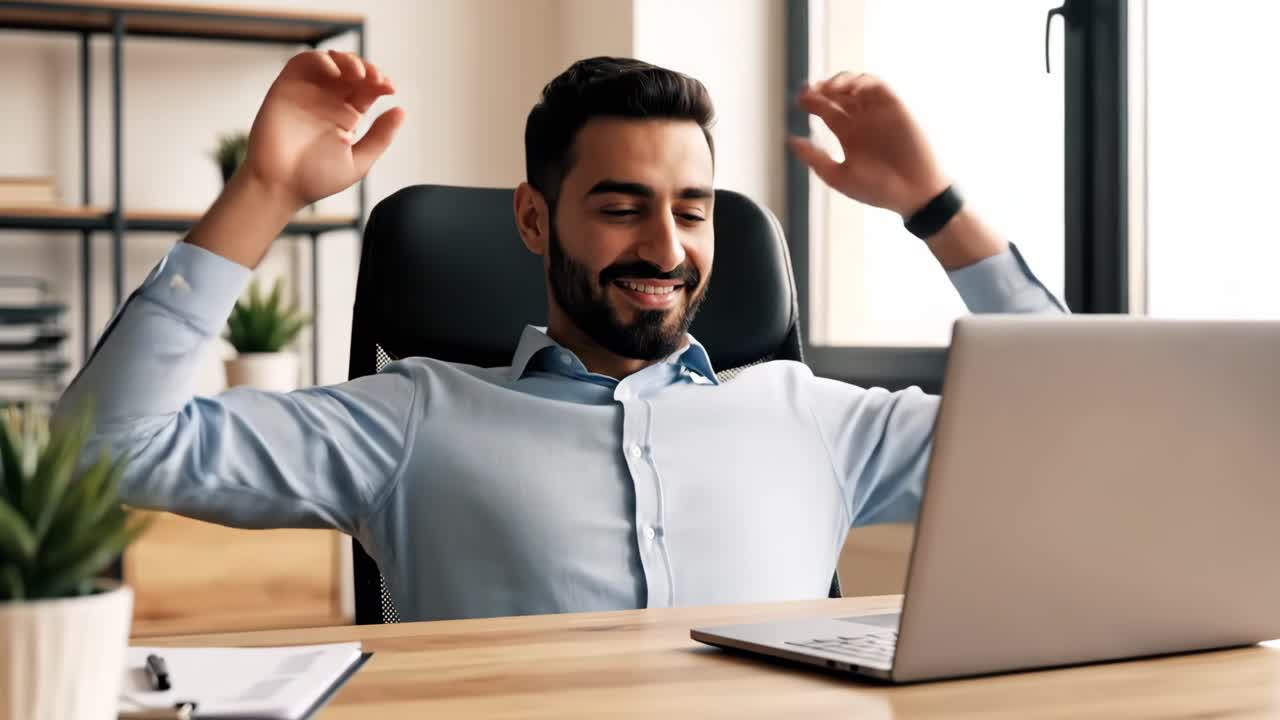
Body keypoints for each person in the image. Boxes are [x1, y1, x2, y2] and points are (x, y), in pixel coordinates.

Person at [55, 51, 1063, 621]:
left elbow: (1077, 425)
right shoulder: (412, 417)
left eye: (693, 209)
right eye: (621, 207)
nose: (665, 245)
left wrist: (936, 208)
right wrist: (263, 191)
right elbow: (102, 451)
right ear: (535, 222)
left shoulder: (815, 417)